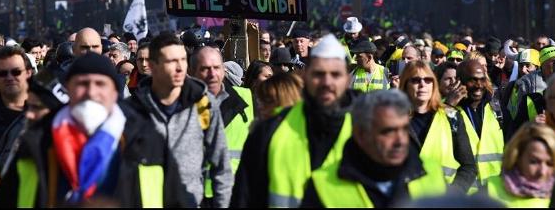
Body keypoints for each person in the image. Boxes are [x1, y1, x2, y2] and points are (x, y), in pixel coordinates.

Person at [0, 52, 188, 207]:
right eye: (82, 84)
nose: (91, 92)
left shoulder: (146, 139)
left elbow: (177, 199)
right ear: (68, 90)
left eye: (100, 84)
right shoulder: (38, 141)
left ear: (114, 94)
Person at [231, 34, 357, 207]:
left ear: (347, 79)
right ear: (305, 77)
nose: (327, 82)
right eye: (319, 74)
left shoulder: (369, 128)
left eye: (335, 74)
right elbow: (245, 198)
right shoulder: (269, 131)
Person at [128, 33, 232, 207]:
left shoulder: (203, 104)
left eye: (183, 60)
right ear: (153, 66)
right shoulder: (133, 109)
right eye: (171, 61)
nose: (179, 68)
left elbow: (221, 167)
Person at [301, 90, 447, 207]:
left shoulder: (432, 172)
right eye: (388, 131)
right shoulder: (322, 186)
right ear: (361, 134)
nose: (400, 141)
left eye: (404, 129)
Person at [400, 61, 476, 192]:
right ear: (405, 85)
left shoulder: (451, 116)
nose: (423, 84)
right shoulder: (392, 119)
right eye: (416, 80)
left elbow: (468, 166)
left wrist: (452, 195)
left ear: (433, 84)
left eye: (428, 80)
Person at [191, 47, 254, 204]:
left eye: (217, 68)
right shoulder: (182, 105)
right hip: (196, 196)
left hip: (236, 193)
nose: (212, 74)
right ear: (192, 72)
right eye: (205, 69)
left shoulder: (247, 98)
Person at [484, 122, 555, 207]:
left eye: (549, 164)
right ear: (517, 157)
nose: (542, 171)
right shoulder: (489, 190)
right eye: (534, 162)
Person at [456, 60, 504, 190]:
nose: (479, 85)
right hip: (462, 195)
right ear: (459, 81)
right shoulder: (449, 111)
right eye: (473, 80)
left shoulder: (495, 109)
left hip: (493, 193)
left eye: (482, 79)